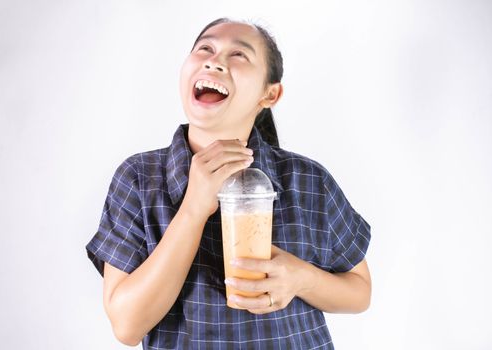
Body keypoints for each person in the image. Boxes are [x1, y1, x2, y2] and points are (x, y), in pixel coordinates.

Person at [86, 17, 372, 349]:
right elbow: (127, 325)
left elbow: (360, 291)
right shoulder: (139, 178)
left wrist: (302, 279)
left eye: (239, 55)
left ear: (269, 94)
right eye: (205, 48)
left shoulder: (308, 181)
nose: (214, 60)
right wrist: (193, 208)